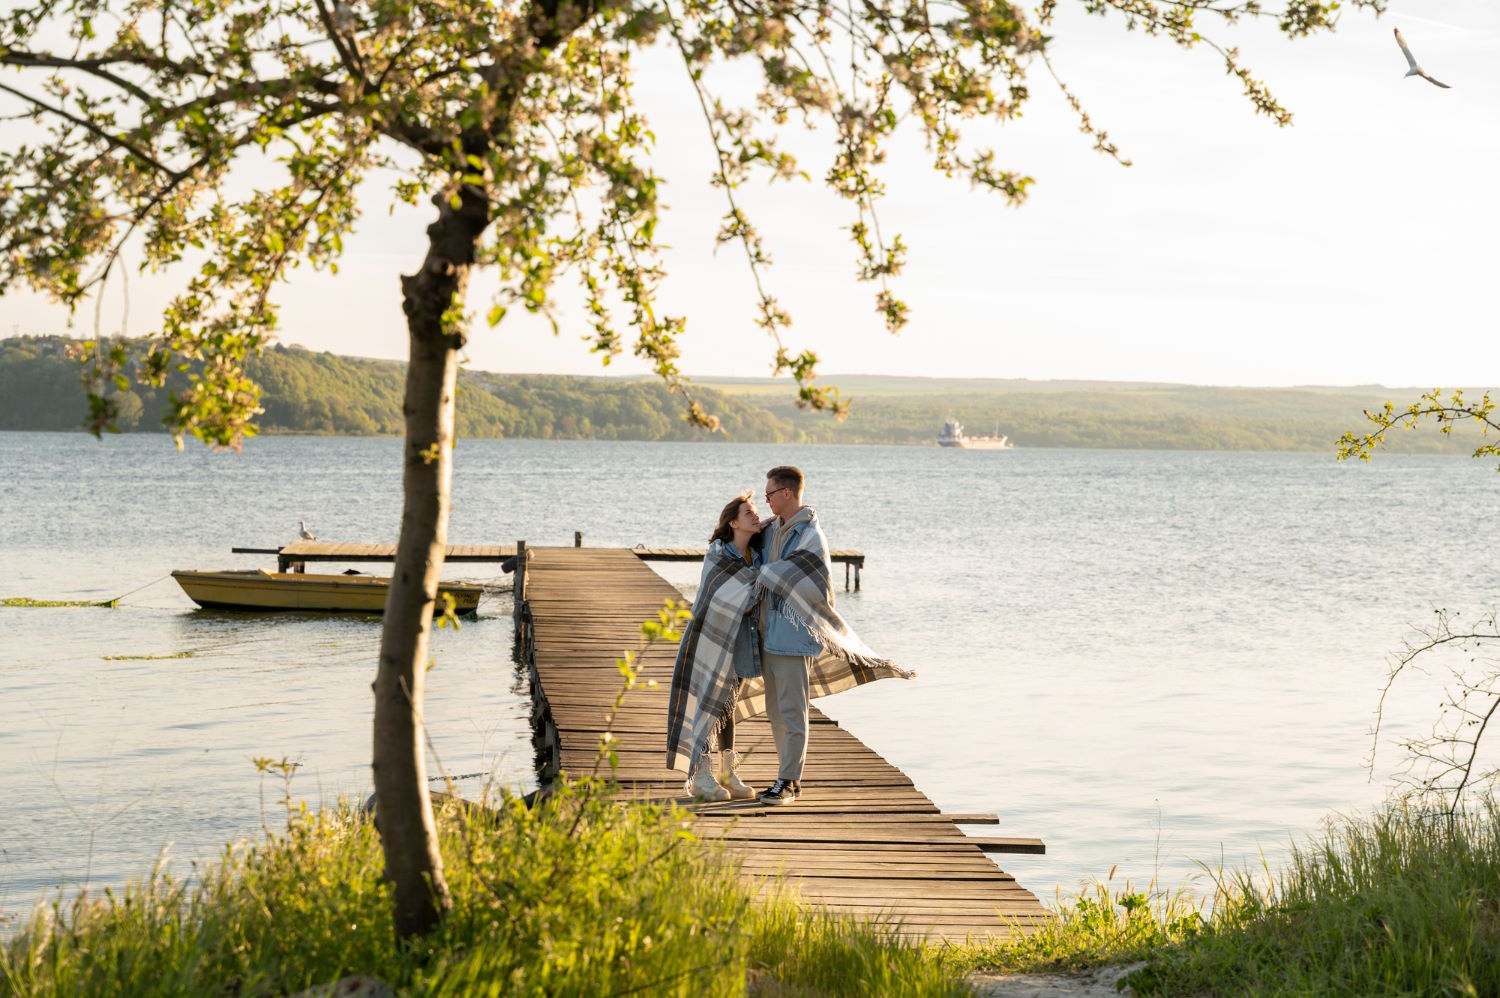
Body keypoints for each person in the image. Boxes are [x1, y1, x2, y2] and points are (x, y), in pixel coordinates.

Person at [755, 465, 916, 805]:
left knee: (792, 709)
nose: (766, 499)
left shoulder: (811, 535)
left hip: (794, 636)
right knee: (774, 710)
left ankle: (789, 781)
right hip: (767, 634)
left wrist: (768, 573)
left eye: (769, 493)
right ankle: (785, 776)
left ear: (787, 493)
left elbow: (810, 577)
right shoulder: (772, 529)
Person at [663, 492, 765, 802]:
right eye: (749, 513)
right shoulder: (719, 555)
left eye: (757, 511)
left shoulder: (757, 559)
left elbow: (753, 596)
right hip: (710, 639)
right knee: (708, 701)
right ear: (733, 522)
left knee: (727, 705)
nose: (756, 516)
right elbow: (717, 600)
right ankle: (702, 776)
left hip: (741, 641)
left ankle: (727, 774)